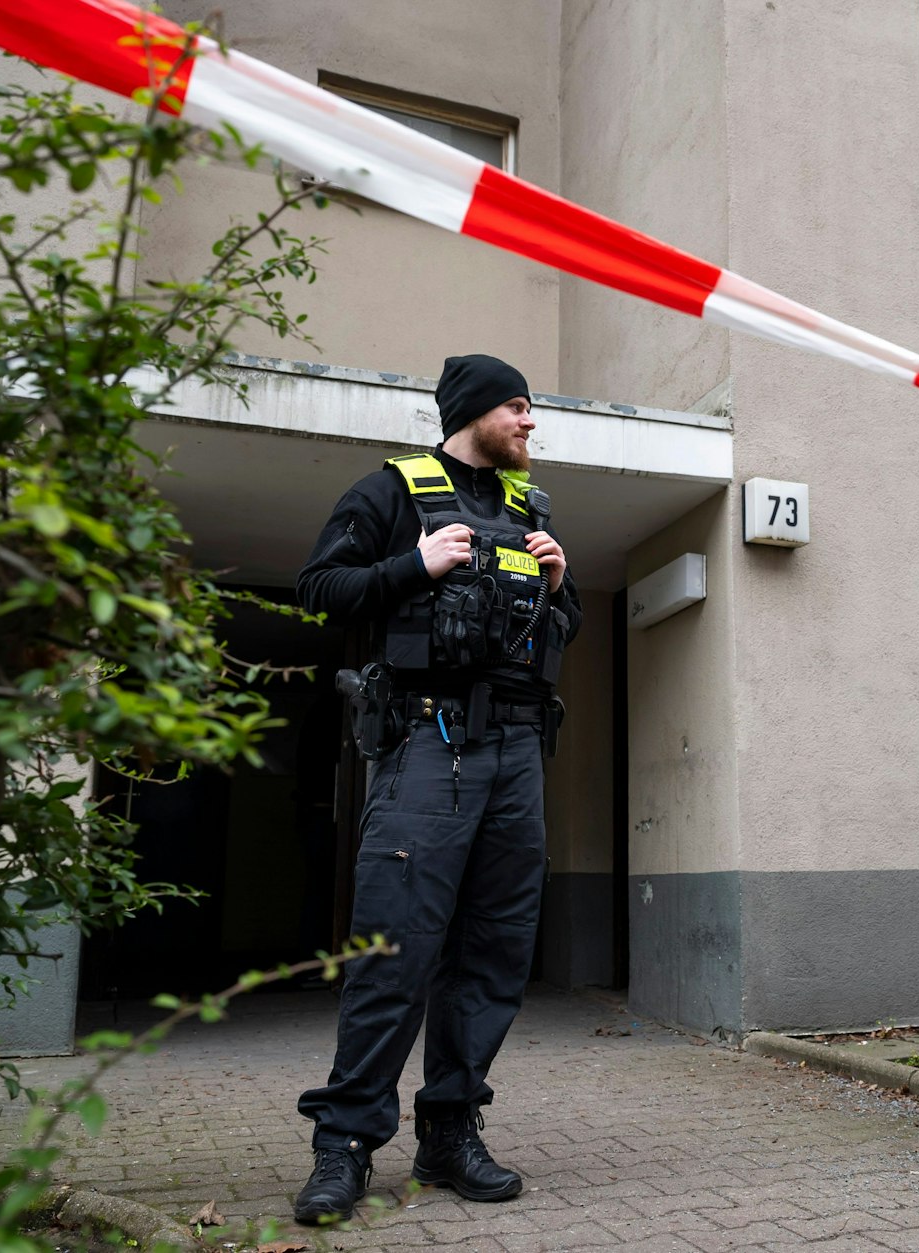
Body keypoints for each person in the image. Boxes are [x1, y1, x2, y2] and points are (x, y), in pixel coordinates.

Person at [290, 354, 580, 1224]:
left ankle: (449, 1132)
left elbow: (555, 629)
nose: (529, 421)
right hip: (428, 741)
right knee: (396, 948)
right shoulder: (391, 491)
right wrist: (411, 566)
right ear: (473, 411)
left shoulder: (531, 510)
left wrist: (559, 589)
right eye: (517, 406)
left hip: (518, 751)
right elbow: (319, 588)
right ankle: (345, 1144)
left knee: (494, 952)